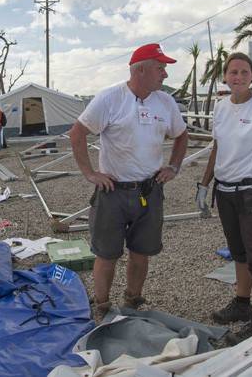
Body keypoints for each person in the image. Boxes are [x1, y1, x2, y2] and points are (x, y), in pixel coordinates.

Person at [69, 43, 188, 321]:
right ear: (141, 69)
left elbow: (181, 136)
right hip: (113, 191)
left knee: (141, 252)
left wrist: (174, 166)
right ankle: (102, 305)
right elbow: (77, 134)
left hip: (149, 190)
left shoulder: (165, 102)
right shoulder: (110, 99)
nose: (165, 75)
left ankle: (132, 302)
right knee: (107, 254)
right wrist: (90, 174)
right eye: (161, 68)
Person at [196, 52, 252, 345]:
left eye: (244, 72)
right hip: (226, 191)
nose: (238, 77)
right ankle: (242, 303)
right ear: (225, 76)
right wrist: (204, 185)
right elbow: (216, 149)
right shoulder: (221, 108)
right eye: (233, 72)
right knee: (239, 253)